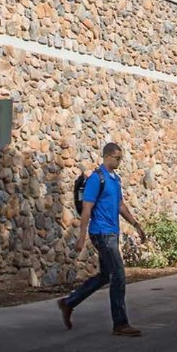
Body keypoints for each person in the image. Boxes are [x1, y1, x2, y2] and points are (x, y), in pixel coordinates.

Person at [58, 142, 147, 337]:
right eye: (117, 158)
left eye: (120, 158)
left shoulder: (115, 180)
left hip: (112, 233)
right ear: (106, 156)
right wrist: (81, 237)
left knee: (106, 276)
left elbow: (120, 205)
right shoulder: (96, 179)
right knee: (119, 274)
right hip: (101, 233)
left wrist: (136, 225)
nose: (119, 161)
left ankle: (68, 303)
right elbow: (87, 209)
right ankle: (120, 324)